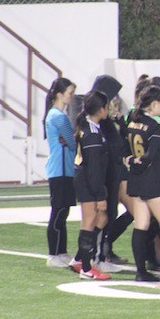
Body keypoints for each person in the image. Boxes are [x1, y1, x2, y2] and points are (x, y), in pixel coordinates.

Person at [125, 85, 160, 282]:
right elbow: (151, 155)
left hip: (135, 180)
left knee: (141, 225)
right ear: (154, 104)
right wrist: (141, 161)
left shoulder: (132, 121)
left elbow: (124, 150)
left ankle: (141, 272)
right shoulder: (156, 125)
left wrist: (131, 161)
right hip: (152, 181)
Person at [72, 90, 111, 280]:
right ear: (100, 110)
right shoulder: (92, 133)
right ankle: (86, 269)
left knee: (101, 218)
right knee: (89, 221)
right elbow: (94, 168)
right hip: (87, 181)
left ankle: (79, 259)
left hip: (85, 178)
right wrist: (100, 196)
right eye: (107, 107)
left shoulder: (88, 126)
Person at [90, 74, 127, 271]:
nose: (116, 102)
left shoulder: (108, 122)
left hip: (114, 174)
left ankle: (102, 254)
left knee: (111, 213)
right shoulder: (96, 124)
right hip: (104, 175)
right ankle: (96, 256)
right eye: (112, 98)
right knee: (102, 215)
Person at [43, 77, 77, 268]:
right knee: (59, 212)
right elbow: (72, 143)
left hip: (63, 169)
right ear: (59, 94)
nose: (71, 96)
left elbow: (70, 140)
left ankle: (60, 251)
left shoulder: (55, 114)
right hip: (60, 170)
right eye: (69, 93)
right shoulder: (58, 116)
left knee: (62, 211)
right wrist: (73, 138)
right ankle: (53, 254)